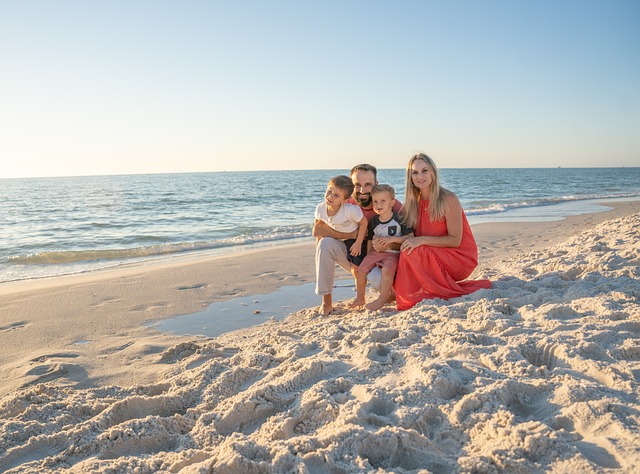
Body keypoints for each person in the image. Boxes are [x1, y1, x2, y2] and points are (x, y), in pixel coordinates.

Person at [394, 153, 491, 310]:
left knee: (411, 250)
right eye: (415, 172)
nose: (420, 176)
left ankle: (413, 296)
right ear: (410, 177)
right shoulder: (412, 203)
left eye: (424, 170)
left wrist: (421, 240)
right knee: (400, 251)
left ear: (433, 172)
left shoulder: (448, 198)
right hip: (429, 254)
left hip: (458, 258)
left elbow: (455, 240)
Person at [313, 164, 402, 315]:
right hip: (353, 255)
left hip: (383, 262)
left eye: (368, 185)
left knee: (381, 284)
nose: (362, 190)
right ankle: (326, 302)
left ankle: (390, 292)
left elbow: (411, 237)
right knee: (325, 244)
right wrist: (354, 235)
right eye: (357, 185)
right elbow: (318, 230)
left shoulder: (390, 204)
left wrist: (385, 242)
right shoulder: (344, 202)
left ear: (376, 184)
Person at [350, 184, 413, 311]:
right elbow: (369, 241)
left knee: (387, 270)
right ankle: (360, 297)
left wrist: (393, 239)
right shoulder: (374, 221)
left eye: (383, 201)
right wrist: (368, 256)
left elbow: (410, 237)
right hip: (376, 253)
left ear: (392, 203)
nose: (378, 205)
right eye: (375, 202)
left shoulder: (399, 219)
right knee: (361, 271)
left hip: (393, 253)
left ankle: (382, 298)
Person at [314, 175, 368, 315]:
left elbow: (364, 223)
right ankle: (326, 302)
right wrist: (318, 244)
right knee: (324, 244)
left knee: (357, 271)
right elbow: (318, 224)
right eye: (329, 191)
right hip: (339, 244)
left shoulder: (351, 210)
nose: (330, 196)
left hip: (356, 244)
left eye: (336, 195)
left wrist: (358, 243)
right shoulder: (320, 208)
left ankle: (360, 298)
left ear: (345, 200)